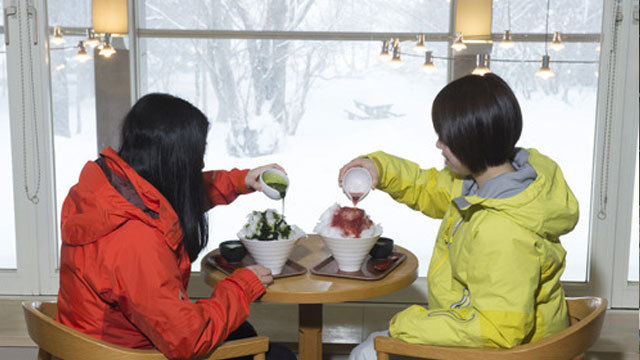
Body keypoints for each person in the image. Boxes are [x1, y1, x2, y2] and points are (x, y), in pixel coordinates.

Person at [340, 74, 579, 359]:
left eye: (447, 138)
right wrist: (380, 167)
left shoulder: (502, 231)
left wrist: (405, 323)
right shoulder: (486, 181)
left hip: (502, 350)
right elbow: (427, 187)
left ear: (472, 142)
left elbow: (498, 330)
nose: (439, 144)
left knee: (365, 353)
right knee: (369, 345)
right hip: (472, 324)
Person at [57, 93, 296, 360]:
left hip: (98, 338)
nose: (201, 164)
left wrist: (240, 181)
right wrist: (241, 286)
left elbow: (172, 194)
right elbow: (188, 339)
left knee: (241, 330)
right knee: (280, 356)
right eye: (196, 157)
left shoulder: (108, 190)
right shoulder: (136, 242)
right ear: (175, 161)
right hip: (127, 353)